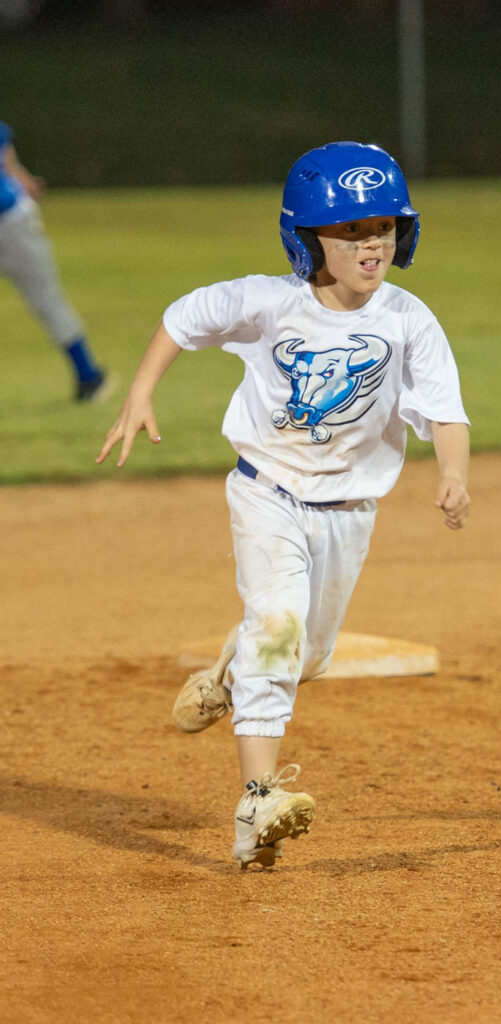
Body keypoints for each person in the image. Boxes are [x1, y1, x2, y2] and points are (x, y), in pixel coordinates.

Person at [96, 141, 471, 870]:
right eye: (350, 231)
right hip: (267, 493)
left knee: (307, 655)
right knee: (276, 627)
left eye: (383, 227)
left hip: (350, 513)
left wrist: (453, 472)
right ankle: (257, 801)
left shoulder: (408, 319)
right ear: (307, 239)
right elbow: (182, 318)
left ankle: (227, 676)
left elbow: (444, 411)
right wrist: (140, 391)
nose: (371, 244)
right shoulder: (269, 302)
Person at [0, 120, 115, 402]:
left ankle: (88, 376)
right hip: (13, 221)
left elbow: (3, 146)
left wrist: (21, 178)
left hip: (11, 224)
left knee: (46, 299)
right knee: (47, 299)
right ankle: (89, 376)